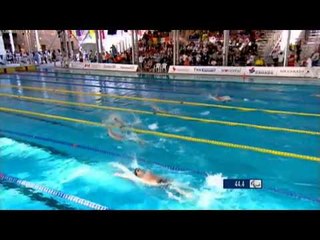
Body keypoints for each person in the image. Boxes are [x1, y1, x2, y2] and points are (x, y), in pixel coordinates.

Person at [113, 165, 193, 199]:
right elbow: (129, 176)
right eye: (138, 170)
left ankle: (189, 191)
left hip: (164, 180)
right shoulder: (141, 178)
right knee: (175, 188)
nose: (139, 170)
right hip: (159, 184)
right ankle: (186, 194)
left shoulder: (146, 172)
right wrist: (118, 174)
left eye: (139, 169)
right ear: (138, 175)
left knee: (178, 185)